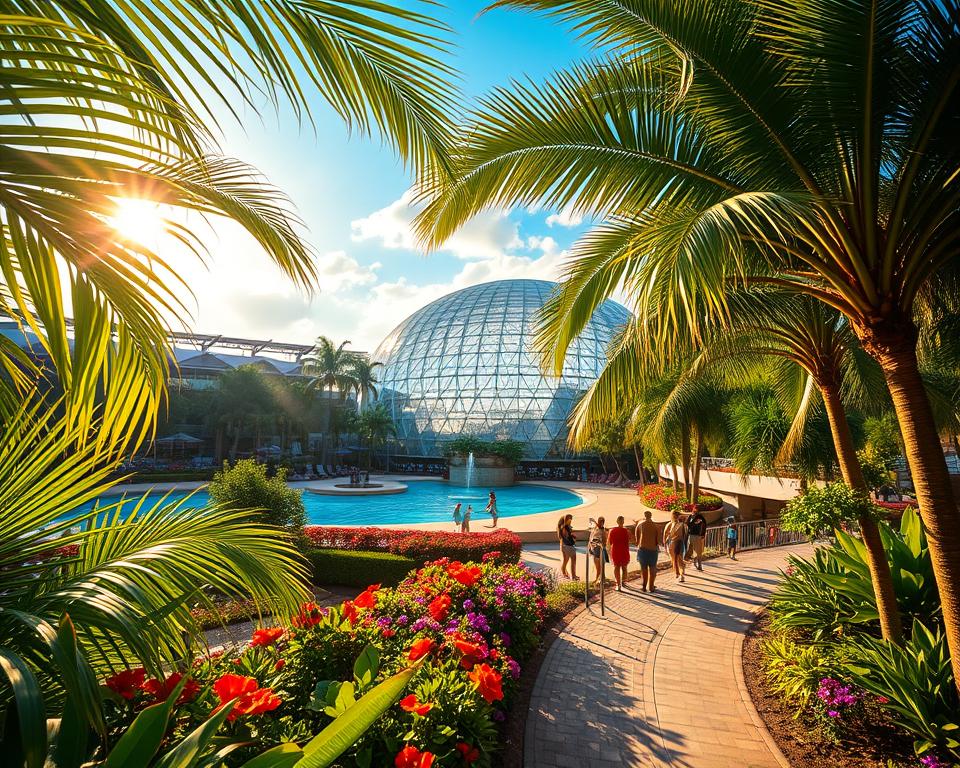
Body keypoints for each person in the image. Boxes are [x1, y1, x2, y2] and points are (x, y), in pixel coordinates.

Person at [635, 510, 660, 592]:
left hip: (643, 549)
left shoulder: (640, 525)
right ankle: (651, 586)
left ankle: (644, 586)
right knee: (652, 568)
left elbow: (637, 538)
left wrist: (638, 543)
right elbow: (657, 540)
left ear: (645, 516)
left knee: (644, 568)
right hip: (653, 549)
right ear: (651, 516)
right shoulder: (655, 526)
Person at [608, 516, 631, 591]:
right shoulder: (626, 531)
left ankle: (618, 584)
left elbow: (610, 542)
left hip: (616, 550)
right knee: (624, 567)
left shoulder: (612, 531)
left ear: (617, 521)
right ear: (623, 522)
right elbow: (629, 540)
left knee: (617, 567)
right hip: (624, 550)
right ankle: (623, 582)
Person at [664, 510, 688, 583]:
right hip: (677, 543)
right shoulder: (682, 524)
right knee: (676, 559)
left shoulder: (671, 524)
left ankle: (680, 574)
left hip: (675, 543)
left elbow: (665, 535)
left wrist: (665, 543)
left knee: (676, 559)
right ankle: (679, 573)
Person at [587, 516, 607, 587]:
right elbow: (591, 539)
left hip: (599, 549)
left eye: (602, 522)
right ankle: (600, 579)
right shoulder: (596, 529)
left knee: (599, 566)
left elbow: (604, 542)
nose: (600, 523)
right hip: (595, 549)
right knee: (599, 566)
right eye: (599, 522)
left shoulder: (602, 531)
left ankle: (598, 579)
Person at [557, 514, 578, 580]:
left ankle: (573, 575)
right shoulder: (563, 527)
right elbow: (565, 536)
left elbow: (568, 535)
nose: (571, 520)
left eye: (571, 519)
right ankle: (564, 573)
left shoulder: (567, 527)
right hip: (566, 546)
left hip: (569, 546)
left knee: (573, 561)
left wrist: (572, 536)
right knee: (566, 561)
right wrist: (571, 536)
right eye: (569, 519)